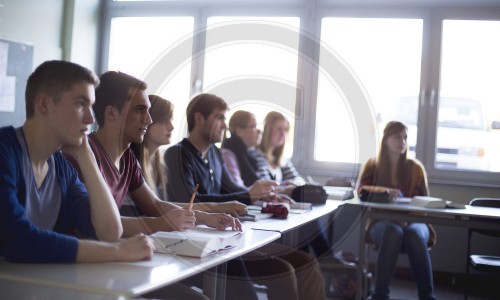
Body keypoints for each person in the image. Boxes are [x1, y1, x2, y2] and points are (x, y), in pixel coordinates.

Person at [165, 93, 326, 300]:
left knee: (305, 263)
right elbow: (189, 201)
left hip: (228, 237)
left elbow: (233, 191)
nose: (225, 125)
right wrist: (248, 195)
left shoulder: (214, 154)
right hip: (202, 245)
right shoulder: (176, 154)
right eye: (220, 118)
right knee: (283, 272)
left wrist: (259, 195)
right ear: (199, 119)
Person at [0, 60, 153, 263]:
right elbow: (16, 237)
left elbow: (108, 231)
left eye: (91, 106)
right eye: (81, 104)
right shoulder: (4, 150)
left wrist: (86, 155)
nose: (91, 118)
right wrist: (118, 252)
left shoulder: (61, 168)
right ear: (44, 104)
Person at [356, 121, 437, 300]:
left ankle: (428, 296)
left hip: (415, 221)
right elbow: (362, 192)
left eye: (405, 137)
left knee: (414, 233)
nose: (402, 141)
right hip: (380, 222)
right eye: (397, 137)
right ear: (385, 140)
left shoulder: (416, 168)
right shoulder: (372, 165)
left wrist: (405, 219)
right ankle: (379, 295)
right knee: (393, 231)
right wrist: (385, 192)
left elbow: (423, 202)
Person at [131, 94, 247, 217]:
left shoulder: (158, 164)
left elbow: (162, 206)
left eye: (171, 120)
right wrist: (214, 211)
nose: (172, 127)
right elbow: (182, 201)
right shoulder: (174, 155)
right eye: (164, 121)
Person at [254, 110, 332, 258]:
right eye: (278, 129)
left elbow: (298, 182)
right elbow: (266, 188)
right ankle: (324, 255)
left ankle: (315, 259)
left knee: (306, 217)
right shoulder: (258, 156)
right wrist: (287, 186)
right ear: (268, 130)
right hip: (268, 208)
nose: (282, 134)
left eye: (285, 130)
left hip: (284, 205)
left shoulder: (281, 159)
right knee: (305, 219)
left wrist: (286, 186)